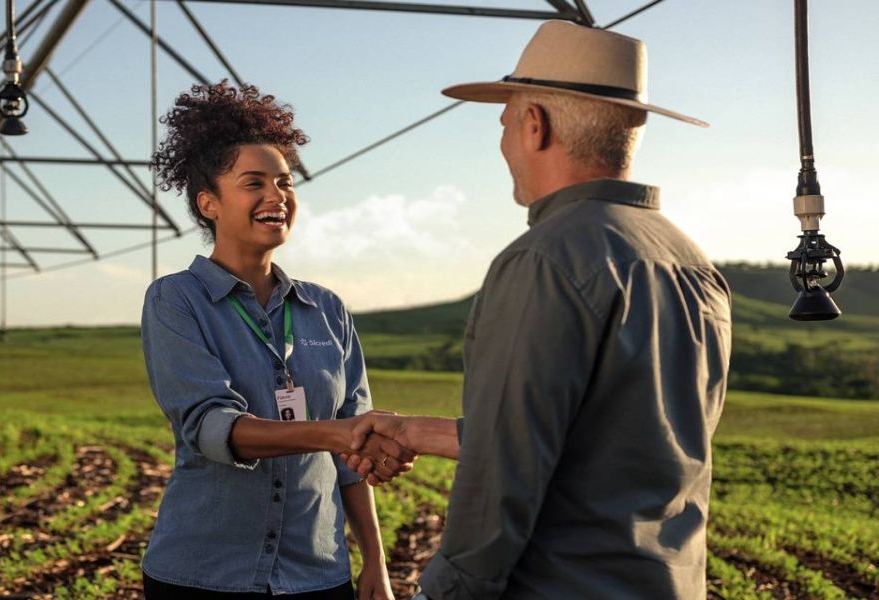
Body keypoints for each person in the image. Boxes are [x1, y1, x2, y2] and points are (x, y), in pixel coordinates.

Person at [346, 21, 733, 599]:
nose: (503, 144)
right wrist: (414, 431)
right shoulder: (691, 261)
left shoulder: (545, 259)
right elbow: (606, 438)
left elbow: (506, 468)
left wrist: (447, 591)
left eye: (505, 124)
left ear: (535, 124)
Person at [140, 81, 413, 599]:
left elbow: (352, 457)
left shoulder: (326, 309)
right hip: (205, 576)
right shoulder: (176, 301)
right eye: (254, 183)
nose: (277, 196)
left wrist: (374, 561)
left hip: (317, 574)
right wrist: (335, 433)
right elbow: (213, 427)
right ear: (209, 203)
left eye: (286, 183)